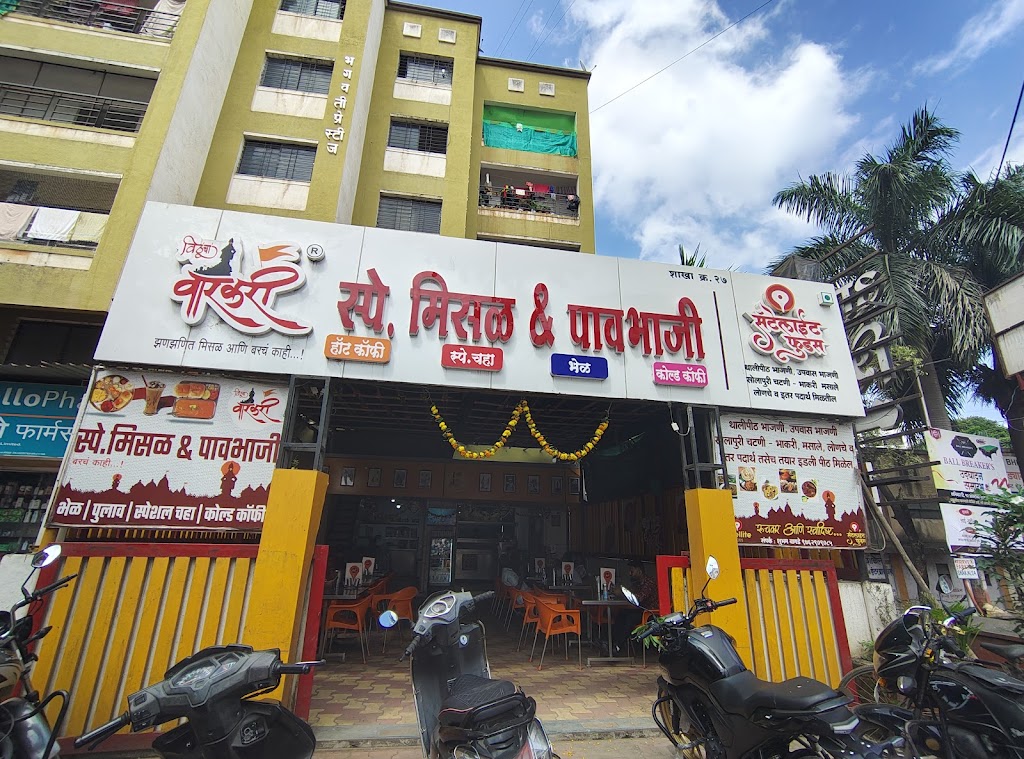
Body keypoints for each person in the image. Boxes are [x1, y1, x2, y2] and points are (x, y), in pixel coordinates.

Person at [610, 559, 657, 655]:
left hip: (649, 614)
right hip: (639, 611)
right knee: (620, 615)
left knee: (628, 618)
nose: (630, 573)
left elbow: (637, 599)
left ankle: (619, 646)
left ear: (639, 571)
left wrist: (622, 593)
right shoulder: (636, 584)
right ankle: (613, 644)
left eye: (632, 571)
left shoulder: (649, 583)